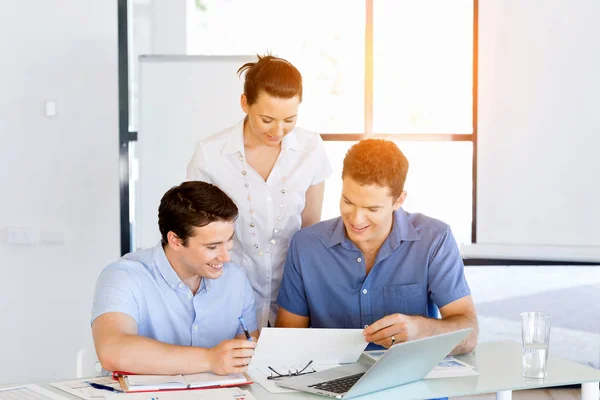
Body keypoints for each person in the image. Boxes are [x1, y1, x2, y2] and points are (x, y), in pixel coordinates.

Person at [276, 139, 478, 355]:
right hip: (331, 380)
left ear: (399, 200)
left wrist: (420, 330)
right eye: (348, 201)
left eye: (372, 208)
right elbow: (288, 343)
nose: (356, 218)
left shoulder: (434, 239)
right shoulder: (306, 246)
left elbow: (469, 335)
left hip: (411, 382)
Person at [186, 54, 332, 328]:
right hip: (227, 291)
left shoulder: (310, 148)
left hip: (294, 295)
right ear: (245, 103)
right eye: (267, 119)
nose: (279, 130)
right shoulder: (211, 155)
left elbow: (312, 227)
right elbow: (197, 234)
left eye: (290, 119)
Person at [91, 181, 258, 375]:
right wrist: (209, 359)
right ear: (176, 241)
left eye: (229, 241)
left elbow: (246, 354)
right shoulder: (123, 276)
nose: (225, 257)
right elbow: (113, 351)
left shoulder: (235, 279)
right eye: (212, 247)